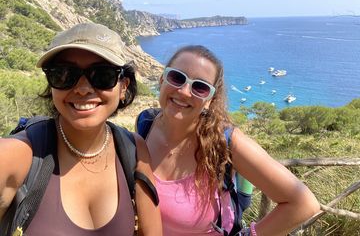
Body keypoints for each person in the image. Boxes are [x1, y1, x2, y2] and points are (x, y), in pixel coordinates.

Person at [137, 45, 320, 236]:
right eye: (177, 77)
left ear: (210, 99)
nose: (184, 91)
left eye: (200, 87)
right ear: (162, 80)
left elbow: (304, 204)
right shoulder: (145, 123)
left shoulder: (225, 141)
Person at [0, 23, 162, 236]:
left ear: (123, 87)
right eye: (65, 74)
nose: (83, 88)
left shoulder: (134, 149)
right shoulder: (15, 155)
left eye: (103, 75)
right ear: (51, 86)